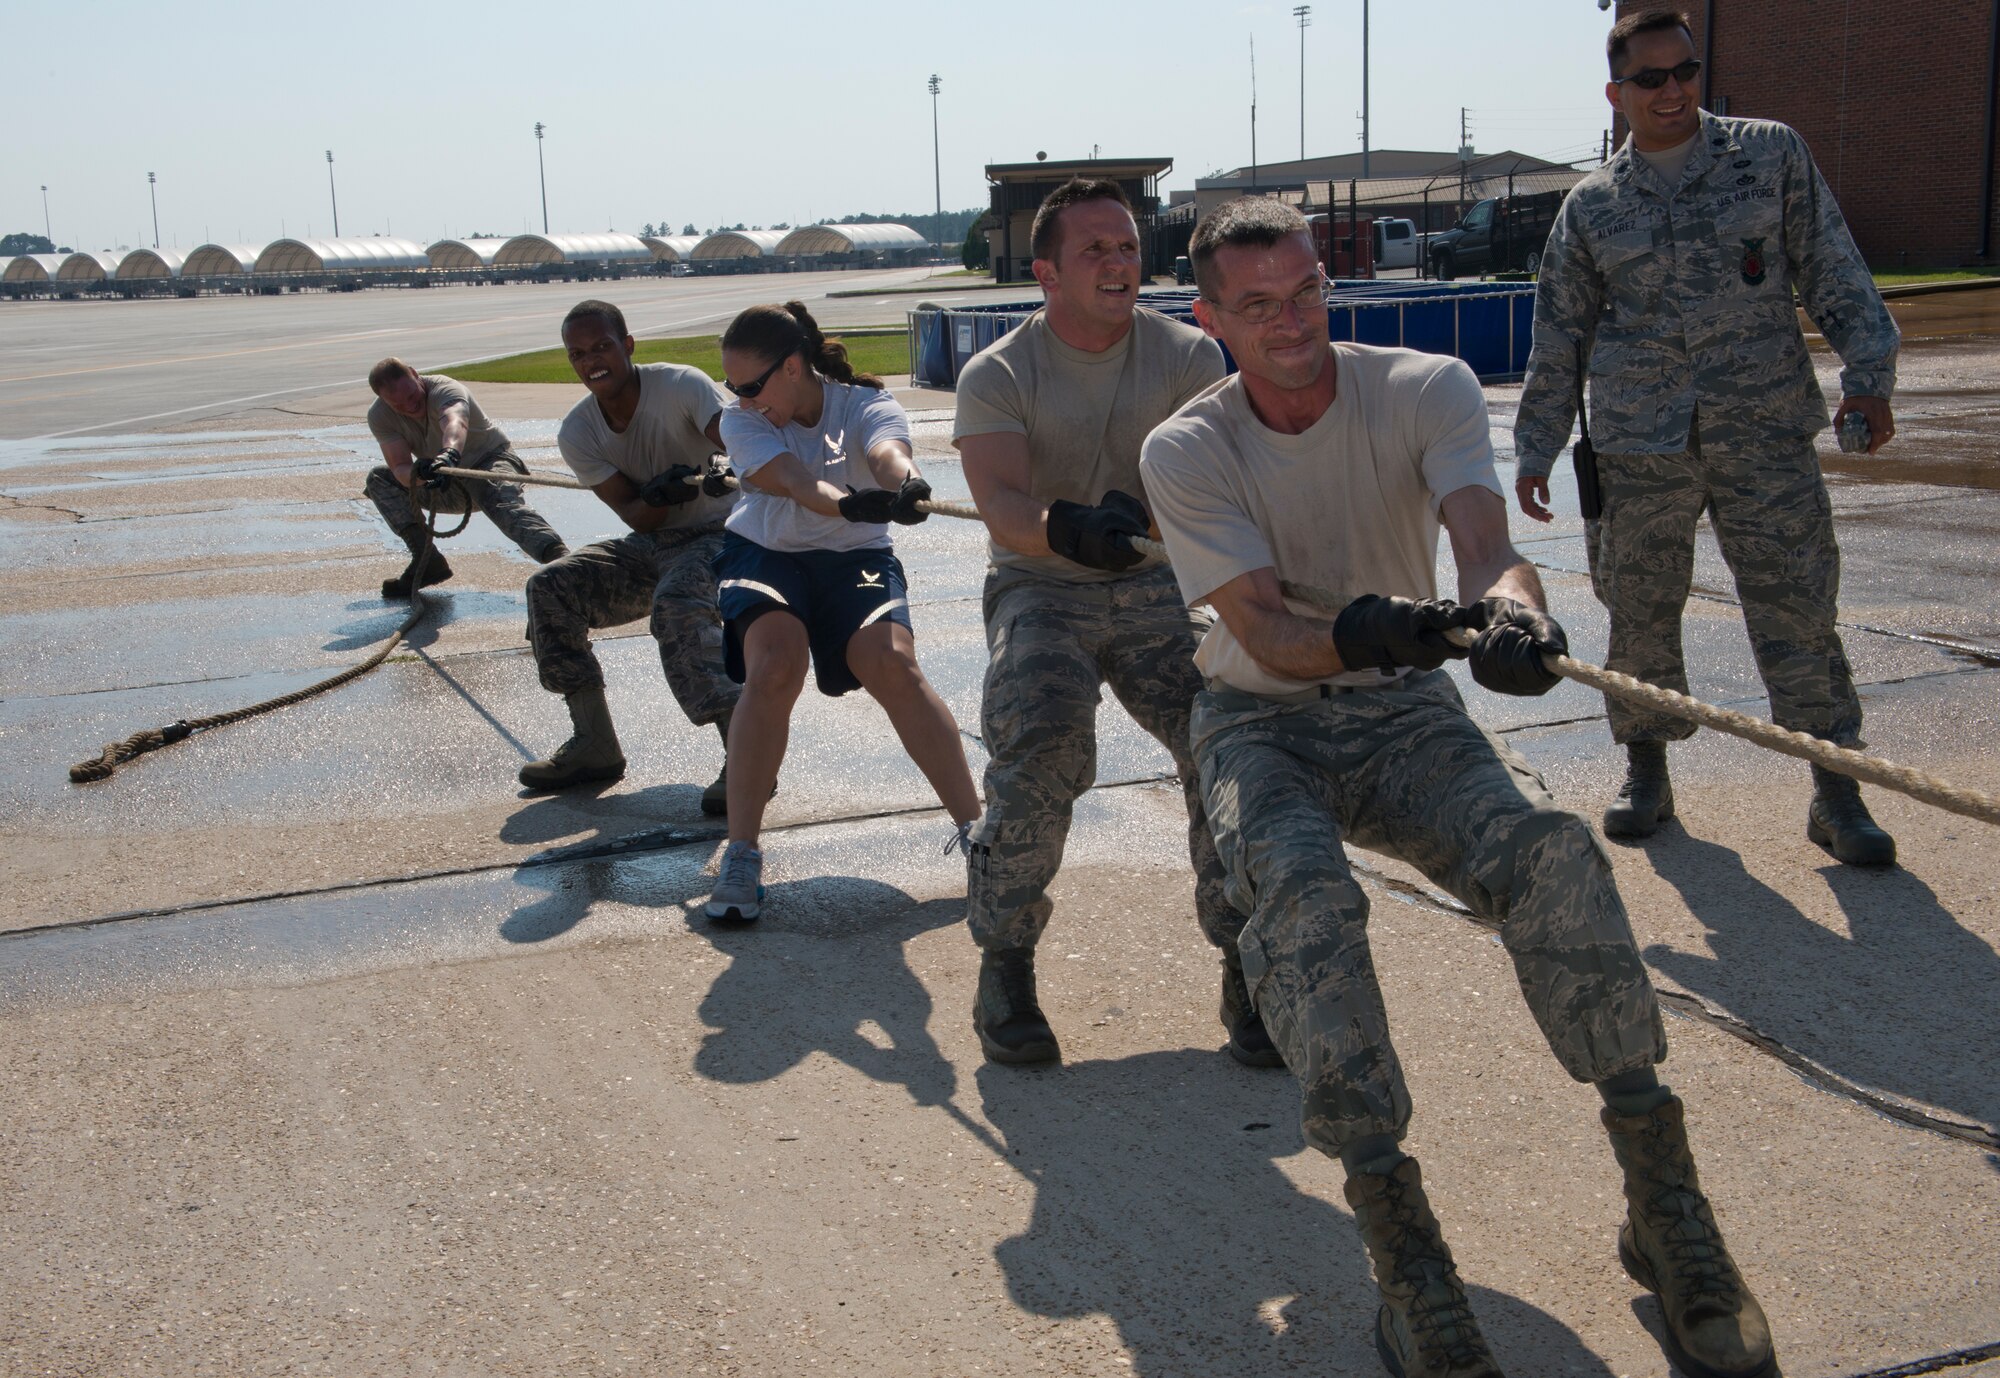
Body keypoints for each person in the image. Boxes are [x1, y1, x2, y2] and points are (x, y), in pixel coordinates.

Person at [1141, 196, 1773, 1378]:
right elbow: (1269, 633)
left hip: (1404, 716)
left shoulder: (1421, 386)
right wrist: (1378, 626)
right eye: (1258, 306)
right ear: (1209, 317)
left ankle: (1664, 1207)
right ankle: (1403, 1254)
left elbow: (1487, 549)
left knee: (1549, 852)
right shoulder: (1185, 447)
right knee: (1303, 897)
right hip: (1257, 720)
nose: (1291, 324)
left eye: (1305, 293)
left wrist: (1511, 618)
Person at [1514, 7, 1900, 867]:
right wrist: (1536, 448)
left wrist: (1868, 375)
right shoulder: (1592, 207)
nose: (1673, 90)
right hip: (1637, 446)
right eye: (1651, 78)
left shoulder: (1769, 156)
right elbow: (1560, 334)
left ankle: (1836, 789)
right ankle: (1646, 772)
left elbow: (1832, 267)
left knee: (1798, 606)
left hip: (1762, 432)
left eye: (1685, 71)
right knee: (1640, 611)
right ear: (1618, 94)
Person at [952, 177, 1266, 1068]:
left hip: (1157, 587)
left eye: (1127, 247)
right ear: (1046, 272)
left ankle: (1247, 958)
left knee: (1226, 736)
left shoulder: (1188, 360)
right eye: (1096, 250)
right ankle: (1005, 960)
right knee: (1041, 739)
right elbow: (1005, 511)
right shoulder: (1001, 372)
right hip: (1040, 584)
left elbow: (1218, 491)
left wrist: (1157, 521)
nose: (1120, 263)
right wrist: (1067, 525)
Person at [703, 302, 981, 922]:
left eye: (751, 386)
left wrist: (906, 483)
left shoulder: (864, 404)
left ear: (794, 367)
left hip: (853, 556)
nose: (742, 400)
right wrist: (850, 504)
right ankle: (742, 852)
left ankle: (979, 837)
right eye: (732, 387)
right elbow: (799, 483)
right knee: (774, 665)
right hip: (765, 551)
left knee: (894, 667)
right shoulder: (741, 422)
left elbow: (887, 451)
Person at [520, 299, 740, 809]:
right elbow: (637, 517)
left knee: (678, 601)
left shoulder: (681, 385)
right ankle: (595, 744)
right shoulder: (579, 432)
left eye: (602, 346)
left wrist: (724, 464)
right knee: (549, 587)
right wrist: (657, 494)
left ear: (628, 346)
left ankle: (746, 753)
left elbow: (739, 440)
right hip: (656, 542)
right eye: (578, 354)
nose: (592, 361)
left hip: (729, 532)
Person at [363, 358, 567, 598]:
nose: (409, 406)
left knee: (501, 500)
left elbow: (455, 421)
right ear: (384, 400)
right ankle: (426, 561)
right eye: (398, 404)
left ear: (415, 375)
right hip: (446, 482)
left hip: (489, 463)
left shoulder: (444, 388)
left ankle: (563, 562)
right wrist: (421, 475)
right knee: (380, 479)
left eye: (411, 395)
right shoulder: (380, 416)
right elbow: (399, 468)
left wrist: (448, 454)